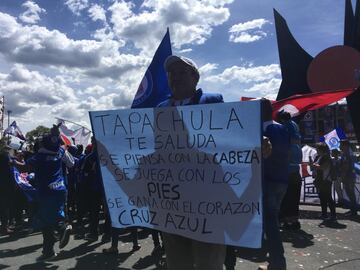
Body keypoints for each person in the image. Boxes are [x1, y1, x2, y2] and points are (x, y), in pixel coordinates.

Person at [157, 55, 226, 270]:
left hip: (208, 201)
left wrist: (258, 145)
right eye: (171, 73)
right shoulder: (160, 108)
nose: (175, 77)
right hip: (172, 202)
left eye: (182, 72)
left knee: (209, 262)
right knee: (177, 262)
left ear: (195, 78)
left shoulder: (213, 101)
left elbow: (233, 141)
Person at [27, 125, 75, 261]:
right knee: (55, 214)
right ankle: (49, 248)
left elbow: (27, 165)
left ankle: (61, 229)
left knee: (46, 219)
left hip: (44, 191)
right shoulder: (60, 151)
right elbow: (71, 164)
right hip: (60, 189)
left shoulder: (38, 156)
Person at [258, 99, 290, 270]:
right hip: (282, 180)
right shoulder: (281, 127)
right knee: (272, 219)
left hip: (268, 180)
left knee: (270, 222)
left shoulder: (261, 129)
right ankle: (274, 259)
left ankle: (277, 261)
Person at [278, 111, 303, 230]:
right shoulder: (295, 127)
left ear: (282, 120)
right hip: (296, 170)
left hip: (286, 170)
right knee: (295, 197)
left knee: (286, 197)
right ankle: (294, 220)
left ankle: (285, 220)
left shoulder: (284, 129)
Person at [311, 143, 336, 221]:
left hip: (326, 180)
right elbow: (314, 167)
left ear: (321, 149)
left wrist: (314, 165)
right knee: (322, 198)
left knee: (328, 197)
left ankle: (333, 215)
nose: (316, 150)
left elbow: (322, 167)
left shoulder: (326, 157)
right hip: (320, 180)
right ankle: (324, 214)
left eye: (317, 148)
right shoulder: (318, 157)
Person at [339, 139, 358, 216]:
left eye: (341, 144)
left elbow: (346, 166)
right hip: (350, 176)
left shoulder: (346, 154)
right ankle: (353, 210)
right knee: (351, 193)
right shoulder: (348, 153)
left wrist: (342, 177)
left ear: (345, 145)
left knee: (350, 193)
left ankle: (353, 211)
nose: (339, 146)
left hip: (348, 177)